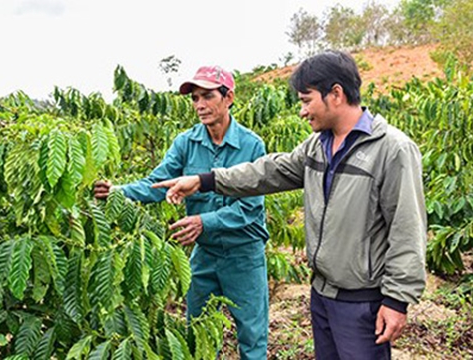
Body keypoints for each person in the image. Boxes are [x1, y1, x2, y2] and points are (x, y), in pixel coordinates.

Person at [153, 51, 427, 359]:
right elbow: (268, 171)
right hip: (322, 293)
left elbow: (407, 228)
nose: (302, 111)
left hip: (362, 300)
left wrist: (397, 300)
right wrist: (204, 181)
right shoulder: (317, 146)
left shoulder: (392, 149)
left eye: (306, 100)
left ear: (335, 94)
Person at [94, 65, 269, 359]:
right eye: (195, 98)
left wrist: (204, 221)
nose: (200, 105)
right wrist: (118, 192)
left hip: (244, 255)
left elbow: (249, 209)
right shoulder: (186, 143)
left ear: (228, 98)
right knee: (198, 334)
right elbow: (157, 184)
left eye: (208, 96)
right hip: (206, 254)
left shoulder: (251, 145)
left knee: (252, 338)